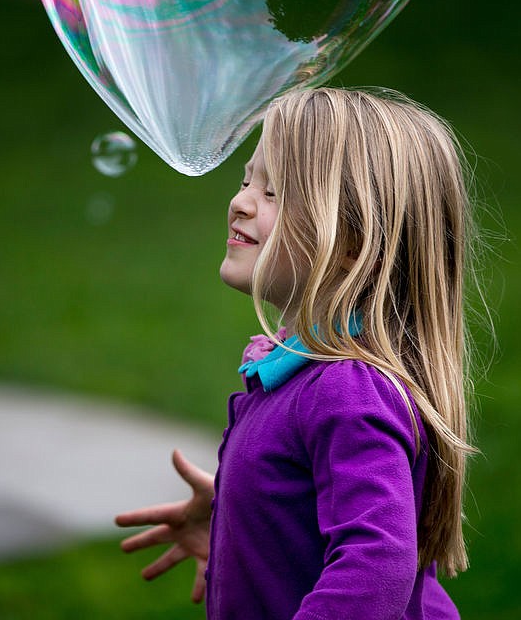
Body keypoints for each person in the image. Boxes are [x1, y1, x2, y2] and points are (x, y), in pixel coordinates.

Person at [116, 87, 480, 619]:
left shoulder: (345, 389)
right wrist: (242, 524)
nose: (239, 201)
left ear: (354, 240)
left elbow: (377, 563)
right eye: (246, 180)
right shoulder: (308, 378)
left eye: (274, 192)